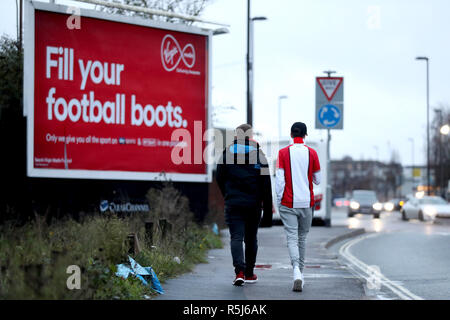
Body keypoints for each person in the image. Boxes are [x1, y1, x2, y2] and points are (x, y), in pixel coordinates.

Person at [216, 124, 273, 286]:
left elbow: (219, 177)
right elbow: (266, 183)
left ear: (236, 136)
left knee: (236, 237)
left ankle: (239, 272)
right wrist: (267, 209)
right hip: (254, 205)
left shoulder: (226, 154)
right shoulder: (260, 155)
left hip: (233, 203)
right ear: (250, 136)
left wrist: (227, 194)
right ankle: (249, 273)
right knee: (251, 238)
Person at [275, 122, 321, 292]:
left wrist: (279, 199)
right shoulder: (312, 153)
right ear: (305, 135)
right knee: (302, 239)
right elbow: (318, 180)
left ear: (291, 134)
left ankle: (296, 272)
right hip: (307, 203)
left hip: (288, 202)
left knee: (292, 239)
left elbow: (279, 180)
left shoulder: (283, 153)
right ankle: (300, 273)